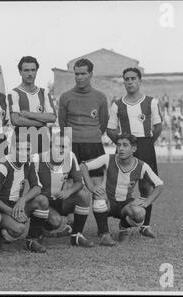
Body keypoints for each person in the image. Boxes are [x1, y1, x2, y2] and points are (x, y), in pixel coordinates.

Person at [58, 58, 114, 246]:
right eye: (77, 73)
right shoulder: (66, 97)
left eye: (83, 73)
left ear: (91, 74)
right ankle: (72, 229)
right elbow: (63, 123)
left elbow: (104, 123)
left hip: (93, 145)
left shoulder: (99, 97)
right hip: (72, 147)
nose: (79, 77)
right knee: (71, 187)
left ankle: (104, 232)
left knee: (97, 188)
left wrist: (91, 134)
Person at [107, 67, 163, 238]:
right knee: (123, 185)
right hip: (126, 146)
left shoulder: (151, 102)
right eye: (126, 79)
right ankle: (124, 220)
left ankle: (145, 225)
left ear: (139, 80)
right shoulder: (117, 105)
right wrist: (123, 144)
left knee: (147, 186)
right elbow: (110, 129)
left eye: (133, 78)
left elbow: (158, 127)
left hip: (145, 145)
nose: (129, 82)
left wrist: (145, 144)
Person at [80, 134, 164, 242]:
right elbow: (83, 166)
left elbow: (160, 185)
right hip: (108, 202)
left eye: (125, 145)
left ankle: (124, 227)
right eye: (119, 145)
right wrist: (91, 187)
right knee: (98, 195)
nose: (121, 149)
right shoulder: (108, 159)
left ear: (133, 148)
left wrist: (147, 202)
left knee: (140, 213)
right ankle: (104, 233)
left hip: (125, 204)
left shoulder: (142, 166)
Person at [0, 135, 50, 253]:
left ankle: (32, 240)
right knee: (18, 229)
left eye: (27, 149)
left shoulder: (29, 162)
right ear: (12, 149)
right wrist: (10, 212)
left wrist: (23, 200)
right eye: (19, 149)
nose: (24, 153)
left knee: (42, 200)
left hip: (16, 204)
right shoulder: (2, 166)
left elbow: (37, 187)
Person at [32, 131, 94, 247]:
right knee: (55, 221)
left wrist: (68, 191)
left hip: (61, 200)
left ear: (69, 147)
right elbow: (31, 185)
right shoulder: (37, 158)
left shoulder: (71, 157)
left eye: (64, 147)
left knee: (84, 194)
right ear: (51, 145)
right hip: (42, 202)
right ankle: (39, 231)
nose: (60, 149)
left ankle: (76, 236)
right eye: (57, 146)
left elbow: (79, 182)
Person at [8, 56, 56, 154]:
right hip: (21, 142)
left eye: (33, 70)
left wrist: (28, 114)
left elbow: (52, 117)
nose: (30, 74)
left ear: (36, 71)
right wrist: (41, 122)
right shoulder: (14, 93)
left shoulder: (44, 92)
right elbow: (16, 120)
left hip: (43, 141)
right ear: (20, 72)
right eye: (26, 70)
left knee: (42, 168)